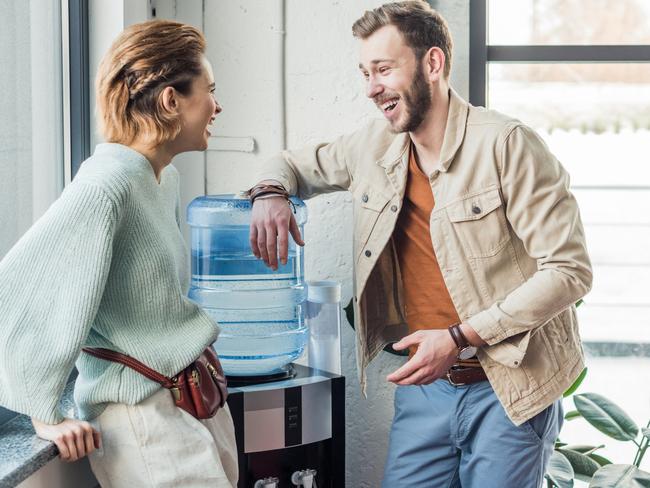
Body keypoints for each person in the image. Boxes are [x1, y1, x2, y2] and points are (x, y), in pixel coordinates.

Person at [248, 1, 592, 486]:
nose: (372, 88)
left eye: (384, 69)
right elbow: (290, 164)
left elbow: (569, 270)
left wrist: (458, 338)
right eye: (366, 73)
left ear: (432, 64)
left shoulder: (508, 144)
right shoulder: (373, 146)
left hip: (511, 390)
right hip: (425, 390)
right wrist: (269, 193)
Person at [0, 20, 238, 487]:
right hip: (145, 424)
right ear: (171, 101)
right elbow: (17, 288)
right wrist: (42, 411)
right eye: (208, 90)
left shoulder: (159, 177)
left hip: (194, 402)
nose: (216, 105)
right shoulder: (107, 185)